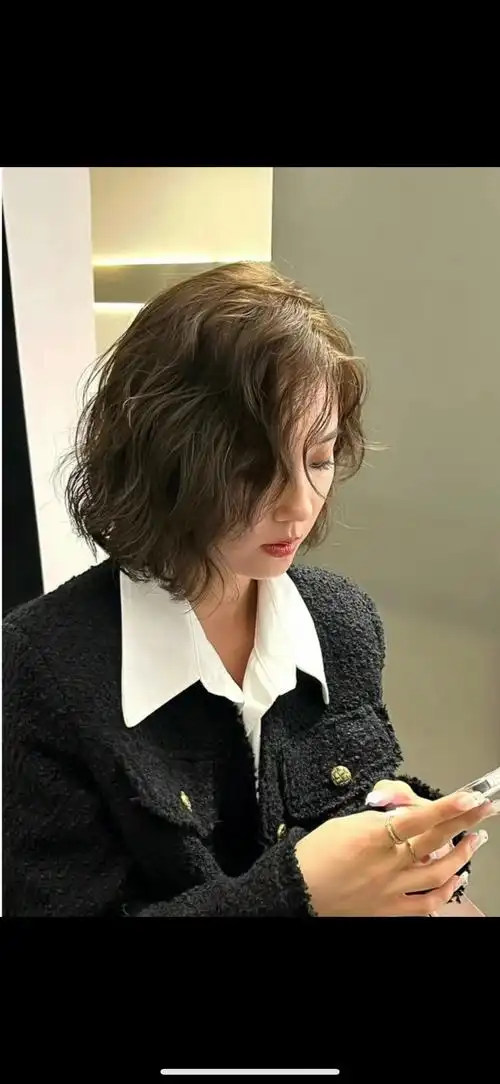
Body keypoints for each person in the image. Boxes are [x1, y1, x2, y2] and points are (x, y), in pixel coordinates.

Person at [3, 261, 493, 918]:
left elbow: (355, 804)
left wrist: (408, 839)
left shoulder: (340, 621)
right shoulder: (43, 666)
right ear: (167, 455)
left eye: (319, 459)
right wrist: (298, 896)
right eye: (254, 469)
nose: (300, 505)